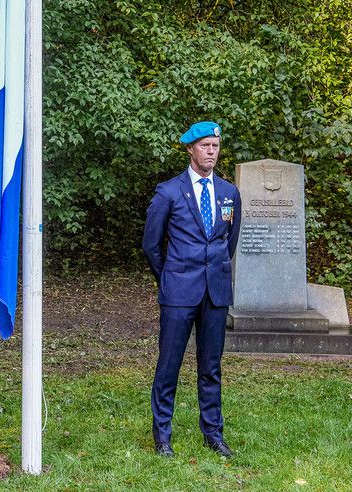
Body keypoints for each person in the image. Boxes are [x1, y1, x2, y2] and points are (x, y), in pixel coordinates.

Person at [142, 121, 242, 458]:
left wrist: (212, 270)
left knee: (210, 366)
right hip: (179, 293)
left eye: (215, 146)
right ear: (191, 149)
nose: (211, 152)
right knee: (169, 365)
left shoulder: (229, 193)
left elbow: (229, 242)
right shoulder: (169, 192)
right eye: (205, 146)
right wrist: (170, 277)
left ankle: (213, 433)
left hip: (215, 292)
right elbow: (152, 246)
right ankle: (162, 435)